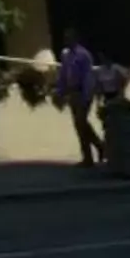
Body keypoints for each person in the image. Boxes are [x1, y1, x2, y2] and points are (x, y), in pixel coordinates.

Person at [55, 33, 103, 167]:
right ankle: (89, 156)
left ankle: (99, 146)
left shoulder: (83, 55)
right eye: (65, 38)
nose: (66, 41)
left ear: (75, 39)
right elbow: (63, 74)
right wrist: (60, 91)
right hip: (72, 92)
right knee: (79, 125)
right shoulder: (66, 55)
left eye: (69, 38)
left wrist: (86, 95)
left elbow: (88, 76)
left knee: (81, 122)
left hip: (82, 91)